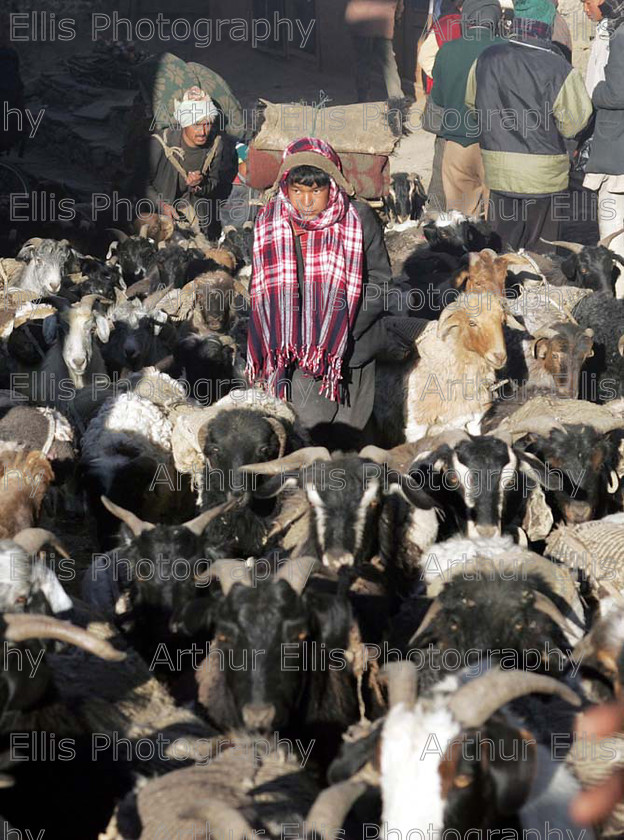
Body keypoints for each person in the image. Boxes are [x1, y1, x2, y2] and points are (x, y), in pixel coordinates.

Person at [246, 137, 427, 441]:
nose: (305, 201)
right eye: (297, 191)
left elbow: (379, 280)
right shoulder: (270, 223)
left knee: (350, 438)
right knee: (308, 435)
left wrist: (341, 325)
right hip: (296, 354)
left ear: (332, 185)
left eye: (315, 191)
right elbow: (260, 284)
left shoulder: (358, 218)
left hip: (352, 345)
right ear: (285, 189)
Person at [465, 0, 593, 251]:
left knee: (502, 250)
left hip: (500, 172)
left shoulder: (486, 59)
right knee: (542, 252)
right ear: (546, 25)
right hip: (544, 178)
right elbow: (575, 122)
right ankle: (537, 287)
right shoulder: (559, 68)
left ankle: (503, 288)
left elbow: (472, 104)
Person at [429, 0, 506, 216]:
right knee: (497, 218)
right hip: (497, 145)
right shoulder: (507, 49)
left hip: (457, 144)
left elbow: (439, 98)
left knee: (460, 218)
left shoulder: (448, 50)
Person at [143, 87, 226, 237]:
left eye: (207, 124)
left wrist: (199, 185)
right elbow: (142, 184)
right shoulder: (160, 144)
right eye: (196, 124)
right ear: (184, 123)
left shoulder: (215, 145)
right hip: (161, 213)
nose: (202, 132)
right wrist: (162, 206)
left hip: (195, 215)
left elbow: (214, 182)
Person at [582, 0, 624, 288]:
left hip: (615, 151)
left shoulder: (620, 36)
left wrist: (594, 90)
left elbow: (617, 93)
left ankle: (617, 302)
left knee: (613, 236)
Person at [345, 0, 405, 102]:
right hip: (383, 25)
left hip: (361, 23)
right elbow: (400, 5)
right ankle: (396, 97)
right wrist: (397, 16)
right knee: (389, 64)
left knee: (362, 62)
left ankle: (363, 96)